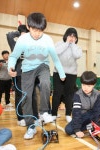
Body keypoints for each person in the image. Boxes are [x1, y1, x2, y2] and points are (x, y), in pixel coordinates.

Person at [8, 12, 66, 140]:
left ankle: (44, 112)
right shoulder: (23, 39)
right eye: (34, 30)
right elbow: (14, 56)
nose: (37, 33)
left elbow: (55, 58)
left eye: (40, 30)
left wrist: (61, 73)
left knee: (45, 83)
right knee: (26, 97)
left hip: (42, 66)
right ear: (28, 27)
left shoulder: (47, 39)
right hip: (27, 69)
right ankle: (31, 127)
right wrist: (10, 67)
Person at [65, 71, 100, 137]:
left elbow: (97, 111)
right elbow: (76, 113)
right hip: (82, 117)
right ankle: (89, 127)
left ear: (94, 85)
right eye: (83, 85)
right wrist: (77, 130)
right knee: (68, 129)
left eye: (89, 86)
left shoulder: (97, 94)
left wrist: (96, 125)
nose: (85, 88)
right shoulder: (77, 95)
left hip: (93, 115)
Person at [7, 24, 38, 127]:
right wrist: (20, 32)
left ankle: (35, 117)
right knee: (20, 96)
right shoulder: (15, 45)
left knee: (32, 96)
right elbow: (9, 35)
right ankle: (20, 118)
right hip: (19, 75)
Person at [51, 27, 82, 123]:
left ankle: (68, 114)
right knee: (57, 94)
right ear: (66, 35)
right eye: (70, 35)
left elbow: (77, 55)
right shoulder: (59, 44)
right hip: (58, 72)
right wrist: (66, 43)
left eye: (74, 36)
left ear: (76, 38)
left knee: (69, 95)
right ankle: (53, 114)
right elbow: (56, 52)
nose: (72, 37)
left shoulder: (77, 47)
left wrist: (72, 45)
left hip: (71, 74)